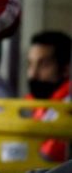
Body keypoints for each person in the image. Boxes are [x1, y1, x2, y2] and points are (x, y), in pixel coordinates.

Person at [26, 31, 72, 163]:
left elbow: (48, 159)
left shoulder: (67, 107)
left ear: (66, 69)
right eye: (30, 64)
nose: (33, 74)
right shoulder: (29, 104)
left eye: (43, 64)